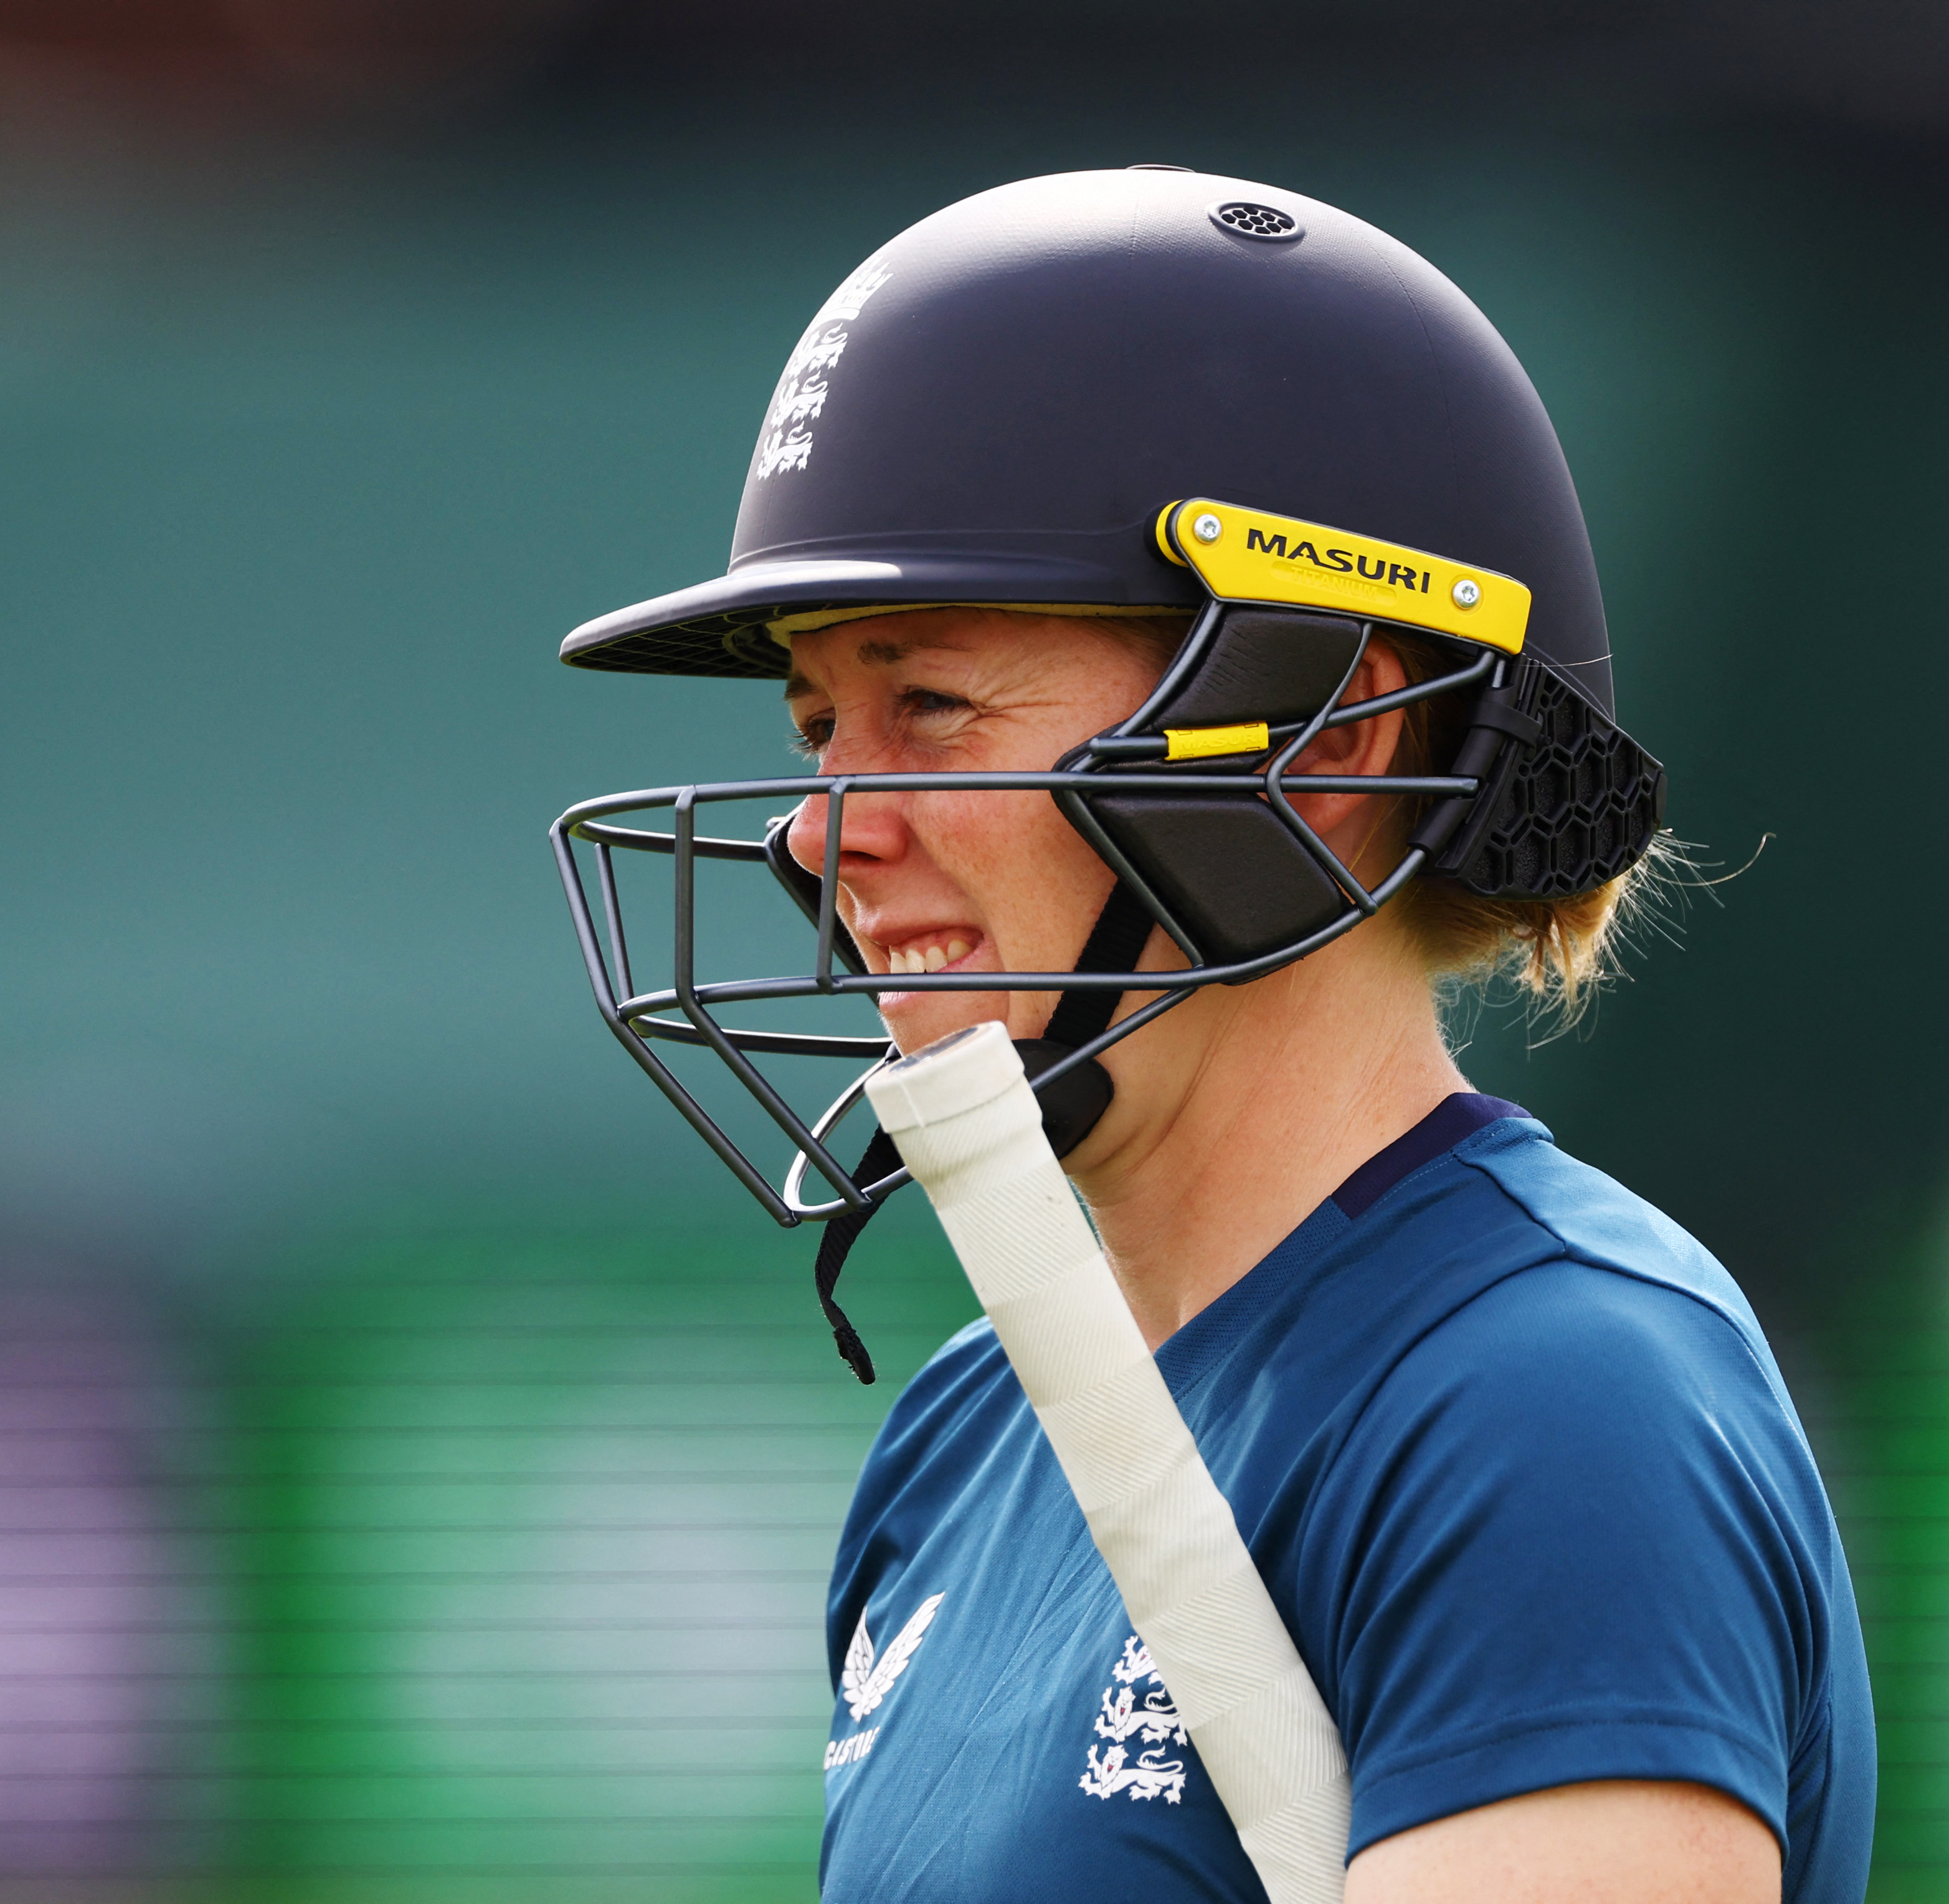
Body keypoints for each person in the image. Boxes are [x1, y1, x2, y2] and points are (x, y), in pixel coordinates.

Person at [552, 168, 1874, 1903]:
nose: (821, 830)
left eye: (928, 704)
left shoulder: (1547, 1401)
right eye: (819, 725)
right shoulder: (964, 1438)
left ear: (1323, 743)